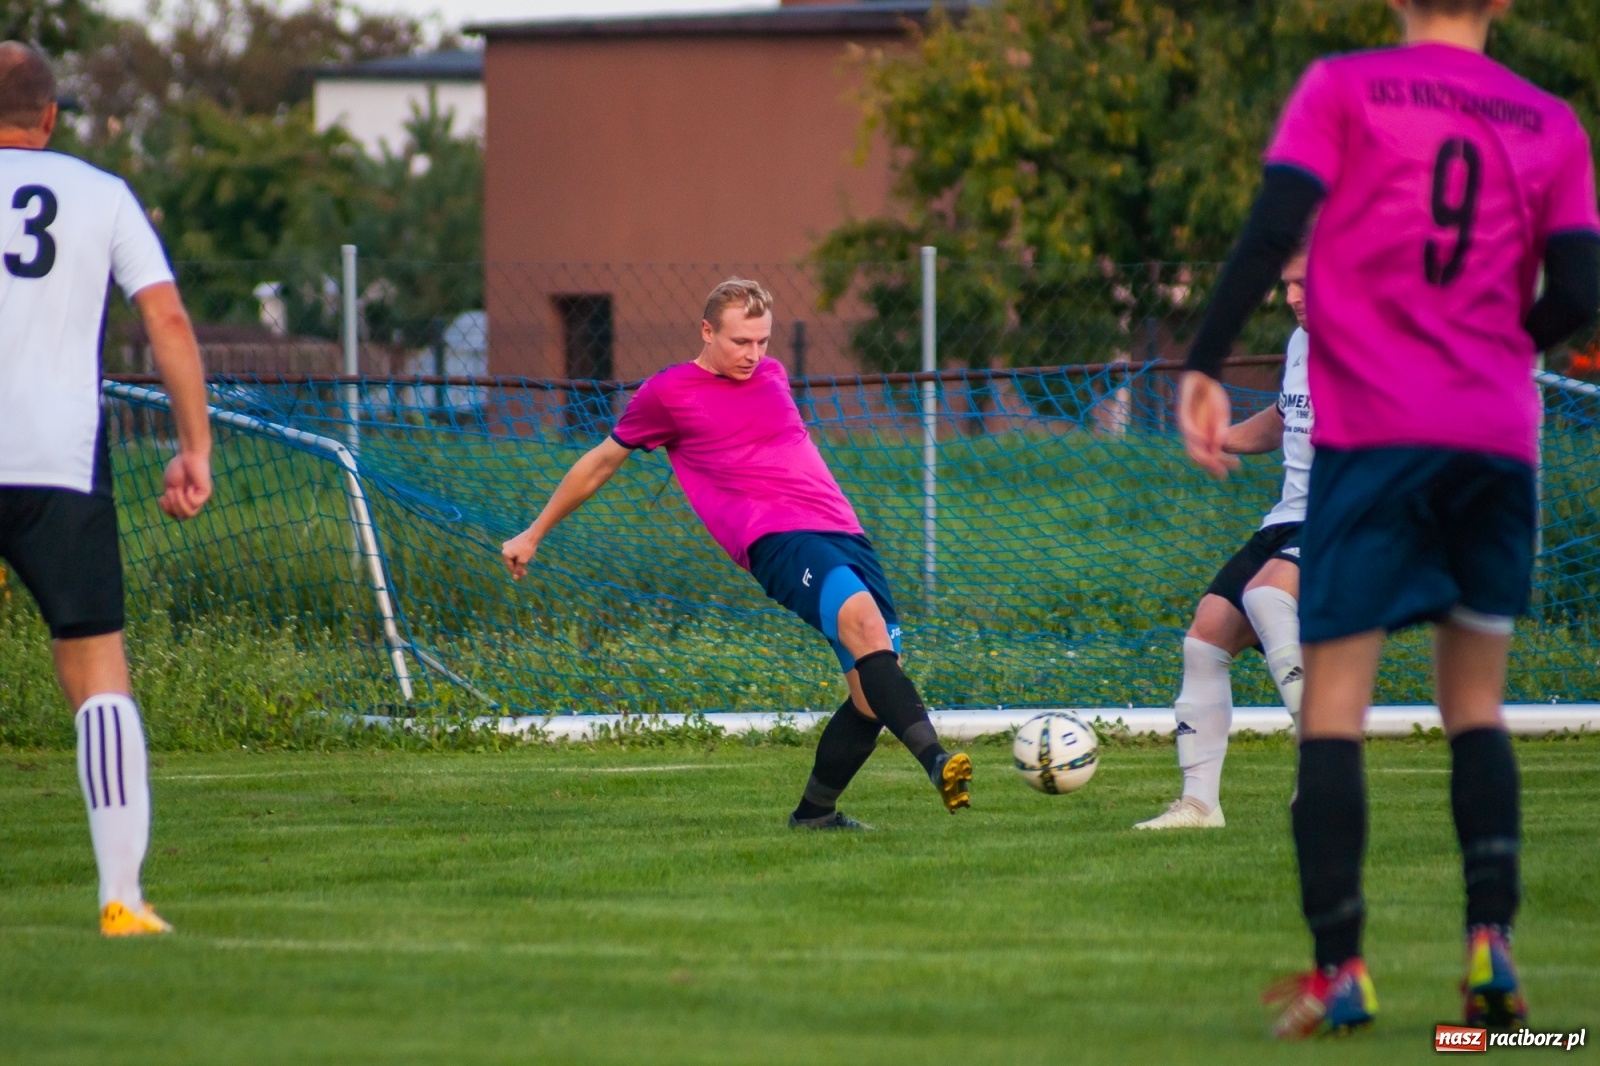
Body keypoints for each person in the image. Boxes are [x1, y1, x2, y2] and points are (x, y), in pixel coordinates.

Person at [1176, 0, 1600, 1038]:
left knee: (1333, 705)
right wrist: (1503, 338)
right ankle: (1489, 954)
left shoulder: (1344, 88)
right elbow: (1582, 287)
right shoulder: (1552, 122)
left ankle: (1342, 971)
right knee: (1473, 706)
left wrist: (1199, 359)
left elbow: (1275, 225)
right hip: (1496, 439)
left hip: (1379, 435)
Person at [502, 279, 972, 828]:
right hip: (775, 538)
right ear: (707, 331)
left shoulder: (772, 375)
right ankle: (938, 762)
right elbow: (600, 463)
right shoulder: (667, 393)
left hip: (843, 531)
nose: (753, 355)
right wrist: (533, 533)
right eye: (740, 342)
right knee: (863, 624)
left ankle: (815, 814)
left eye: (762, 341)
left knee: (872, 695)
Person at [0, 42, 213, 935]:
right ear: (50, 117)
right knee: (96, 672)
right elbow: (163, 315)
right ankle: (121, 897)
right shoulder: (100, 193)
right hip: (57, 459)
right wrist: (192, 445)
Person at [1135, 251, 1312, 831]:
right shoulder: (1299, 345)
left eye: (1303, 284)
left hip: (1351, 513)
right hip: (1288, 518)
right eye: (1286, 284)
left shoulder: (1374, 344)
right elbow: (1290, 417)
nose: (1291, 297)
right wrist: (1223, 437)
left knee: (1267, 597)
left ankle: (1325, 768)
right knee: (1205, 638)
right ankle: (1199, 804)